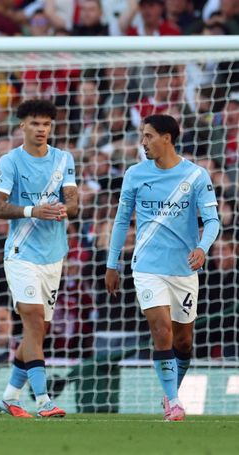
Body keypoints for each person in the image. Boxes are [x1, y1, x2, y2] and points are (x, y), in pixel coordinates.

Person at [105, 114, 220, 422]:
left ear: (167, 138)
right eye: (142, 136)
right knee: (161, 330)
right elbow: (121, 220)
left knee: (183, 340)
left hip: (183, 268)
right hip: (147, 266)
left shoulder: (196, 176)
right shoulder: (135, 174)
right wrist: (112, 264)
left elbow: (212, 221)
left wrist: (202, 247)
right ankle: (174, 401)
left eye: (149, 136)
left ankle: (171, 392)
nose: (143, 142)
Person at [0, 99, 78, 418]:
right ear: (22, 126)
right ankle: (43, 401)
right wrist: (32, 210)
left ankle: (10, 397)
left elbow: (74, 202)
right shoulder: (10, 161)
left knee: (37, 332)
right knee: (34, 320)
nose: (41, 129)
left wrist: (64, 209)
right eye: (35, 123)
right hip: (20, 254)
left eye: (46, 124)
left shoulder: (63, 159)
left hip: (53, 256)